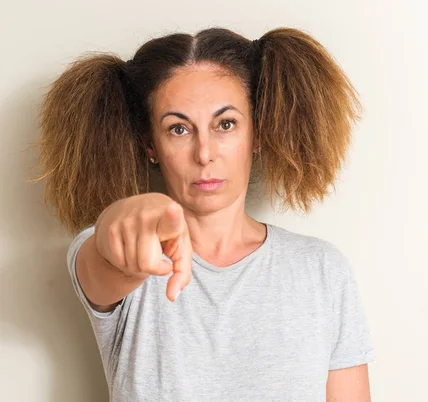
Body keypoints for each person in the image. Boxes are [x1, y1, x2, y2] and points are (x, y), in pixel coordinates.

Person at [36, 26, 374, 401]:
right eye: (178, 129)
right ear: (151, 145)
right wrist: (129, 216)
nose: (204, 153)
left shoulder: (322, 269)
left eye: (225, 124)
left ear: (257, 133)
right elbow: (109, 253)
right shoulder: (123, 253)